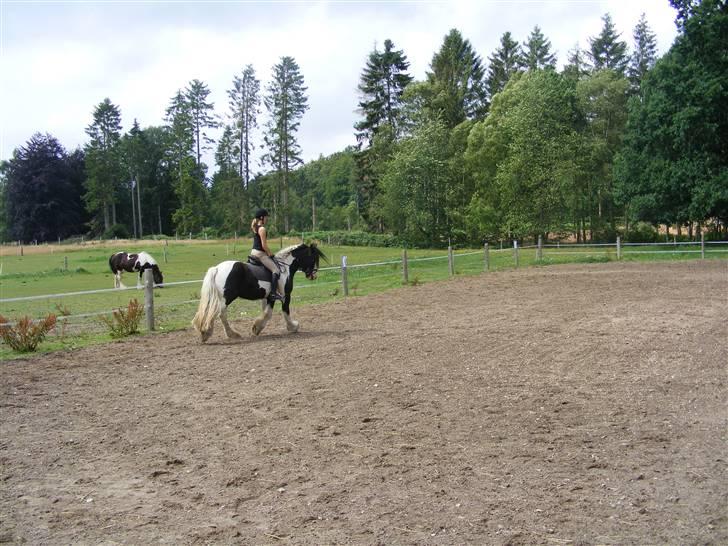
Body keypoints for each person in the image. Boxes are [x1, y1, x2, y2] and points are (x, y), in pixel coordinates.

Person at [250, 208, 284, 302]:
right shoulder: (262, 229)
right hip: (260, 254)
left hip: (253, 252)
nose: (267, 219)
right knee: (276, 270)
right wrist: (270, 254)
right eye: (266, 217)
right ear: (261, 217)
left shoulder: (255, 227)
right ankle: (273, 293)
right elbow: (264, 246)